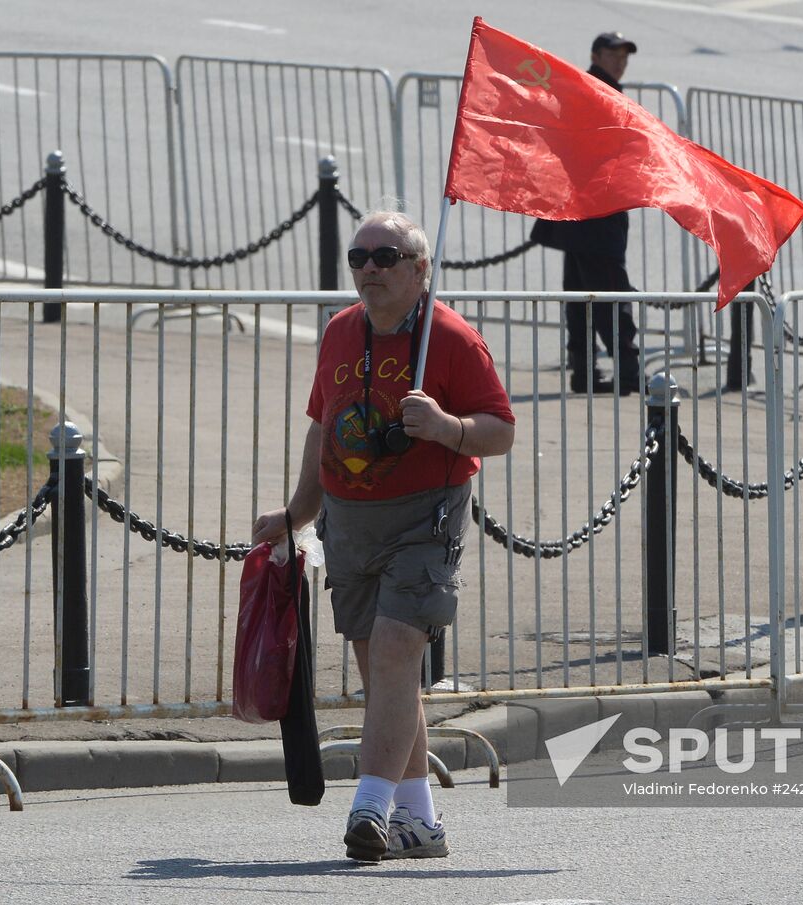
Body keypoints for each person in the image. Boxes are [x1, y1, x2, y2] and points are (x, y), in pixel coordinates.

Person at [252, 211, 515, 862]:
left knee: (398, 654)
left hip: (424, 520)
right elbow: (322, 426)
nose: (369, 267)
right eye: (359, 256)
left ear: (419, 270)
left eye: (386, 255)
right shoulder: (342, 332)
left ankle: (369, 808)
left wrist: (449, 427)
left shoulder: (451, 339)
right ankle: (420, 822)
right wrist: (296, 515)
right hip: (351, 521)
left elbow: (501, 430)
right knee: (388, 678)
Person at [530, 31, 642, 396]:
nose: (621, 60)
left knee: (580, 296)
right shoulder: (600, 92)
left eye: (625, 54)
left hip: (578, 215)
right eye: (613, 53)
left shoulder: (590, 88)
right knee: (610, 295)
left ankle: (584, 371)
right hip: (596, 216)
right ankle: (626, 371)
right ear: (596, 54)